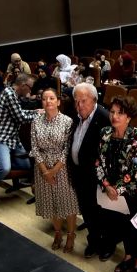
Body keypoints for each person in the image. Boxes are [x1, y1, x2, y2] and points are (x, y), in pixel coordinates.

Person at [96, 96, 137, 272]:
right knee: (119, 225)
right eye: (112, 112)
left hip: (131, 192)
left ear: (129, 117)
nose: (114, 116)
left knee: (134, 228)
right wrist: (106, 186)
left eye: (120, 113)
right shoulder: (104, 133)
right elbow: (98, 163)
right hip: (110, 193)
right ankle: (128, 256)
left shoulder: (136, 136)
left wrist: (116, 189)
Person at [0, 74, 39, 215]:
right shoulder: (10, 94)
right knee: (4, 168)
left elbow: (20, 112)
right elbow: (21, 117)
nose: (30, 91)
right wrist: (39, 114)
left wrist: (35, 111)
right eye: (29, 88)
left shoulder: (11, 93)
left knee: (27, 167)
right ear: (23, 85)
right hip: (1, 138)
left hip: (12, 139)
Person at [66, 82, 112, 259]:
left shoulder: (104, 117)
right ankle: (93, 241)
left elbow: (108, 153)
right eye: (76, 101)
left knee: (102, 213)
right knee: (87, 211)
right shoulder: (76, 115)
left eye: (83, 101)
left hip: (97, 179)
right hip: (79, 174)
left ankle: (107, 244)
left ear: (94, 100)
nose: (79, 105)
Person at [30, 89, 79, 253]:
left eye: (51, 98)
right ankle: (58, 233)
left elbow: (67, 150)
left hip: (62, 169)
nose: (48, 101)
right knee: (50, 204)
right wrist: (45, 171)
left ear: (58, 102)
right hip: (42, 167)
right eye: (44, 99)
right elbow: (34, 148)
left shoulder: (67, 121)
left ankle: (71, 234)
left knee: (67, 203)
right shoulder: (36, 121)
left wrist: (54, 171)